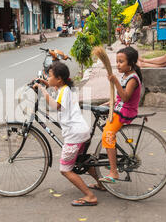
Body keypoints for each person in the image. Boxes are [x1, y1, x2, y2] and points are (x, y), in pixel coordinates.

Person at [33, 62, 100, 206]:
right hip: (82, 131)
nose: (48, 78)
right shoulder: (65, 88)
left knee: (65, 169)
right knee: (82, 160)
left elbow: (55, 105)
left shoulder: (63, 91)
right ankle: (101, 184)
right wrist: (45, 83)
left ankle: (90, 196)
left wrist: (42, 90)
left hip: (74, 135)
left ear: (59, 79)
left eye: (49, 76)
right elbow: (55, 88)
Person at [99, 47, 143, 184]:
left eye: (121, 61)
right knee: (107, 134)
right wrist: (108, 103)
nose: (118, 64)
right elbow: (119, 98)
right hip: (119, 107)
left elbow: (125, 98)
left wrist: (115, 82)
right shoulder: (125, 75)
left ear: (131, 63)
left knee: (107, 134)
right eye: (117, 61)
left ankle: (114, 172)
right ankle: (112, 160)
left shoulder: (133, 79)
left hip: (125, 111)